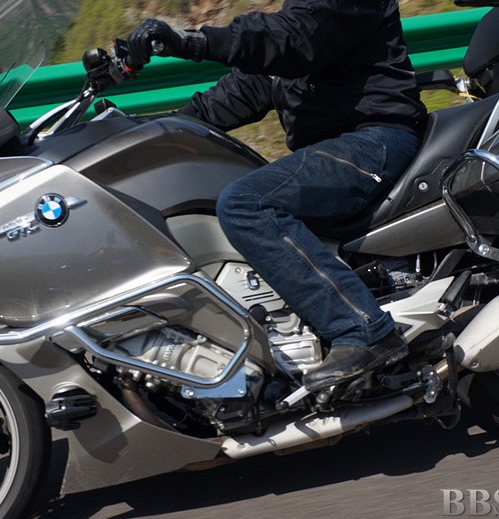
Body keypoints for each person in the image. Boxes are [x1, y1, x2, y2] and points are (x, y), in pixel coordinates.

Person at [126, 0, 427, 392]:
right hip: (332, 147)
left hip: (374, 137)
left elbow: (292, 40)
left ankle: (364, 330)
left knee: (247, 202)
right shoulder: (298, 18)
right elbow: (243, 89)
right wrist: (144, 133)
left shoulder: (319, 14)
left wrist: (191, 42)